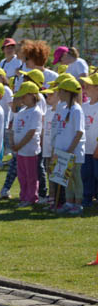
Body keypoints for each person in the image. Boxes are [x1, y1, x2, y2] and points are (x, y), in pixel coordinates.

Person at [51, 77, 86, 214]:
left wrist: (70, 150)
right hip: (62, 151)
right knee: (66, 178)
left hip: (73, 152)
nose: (58, 93)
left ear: (68, 92)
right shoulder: (63, 108)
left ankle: (78, 204)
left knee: (76, 178)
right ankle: (69, 202)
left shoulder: (77, 110)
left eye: (61, 91)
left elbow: (79, 132)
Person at [10, 81, 44, 206]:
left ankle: (31, 198)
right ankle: (23, 196)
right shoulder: (21, 111)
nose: (22, 98)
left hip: (30, 150)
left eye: (24, 95)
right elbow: (14, 129)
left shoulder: (36, 111)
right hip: (20, 150)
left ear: (32, 95)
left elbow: (31, 132)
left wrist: (19, 145)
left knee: (31, 176)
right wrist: (13, 143)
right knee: (22, 175)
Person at [81, 76, 98, 208]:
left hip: (96, 149)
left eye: (88, 86)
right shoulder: (84, 106)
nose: (84, 88)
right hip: (85, 149)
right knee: (86, 175)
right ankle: (87, 199)